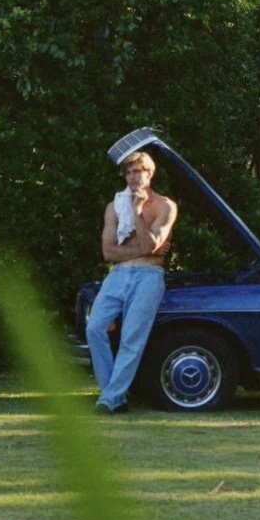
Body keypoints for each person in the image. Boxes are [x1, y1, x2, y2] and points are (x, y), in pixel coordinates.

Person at [87, 149, 178, 414]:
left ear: (149, 173)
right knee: (95, 328)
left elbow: (153, 244)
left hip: (149, 276)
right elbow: (108, 252)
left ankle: (109, 399)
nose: (132, 177)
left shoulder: (165, 206)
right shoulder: (114, 207)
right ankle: (113, 395)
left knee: (131, 338)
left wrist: (138, 213)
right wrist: (144, 248)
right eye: (128, 172)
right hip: (118, 274)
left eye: (137, 171)